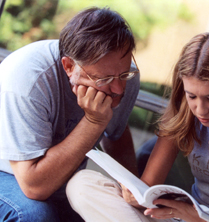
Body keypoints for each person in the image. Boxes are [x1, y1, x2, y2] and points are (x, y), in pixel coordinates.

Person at [66, 31, 209, 222]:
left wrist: (196, 218)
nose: (200, 110)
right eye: (191, 95)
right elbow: (149, 185)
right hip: (181, 216)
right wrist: (136, 194)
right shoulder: (185, 111)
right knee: (82, 184)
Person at [0, 7, 140, 221]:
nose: (119, 89)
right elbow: (34, 186)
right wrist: (94, 122)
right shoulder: (29, 80)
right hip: (9, 173)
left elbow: (116, 134)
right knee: (35, 216)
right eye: (104, 79)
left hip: (59, 179)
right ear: (68, 66)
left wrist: (136, 190)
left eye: (124, 74)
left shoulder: (123, 78)